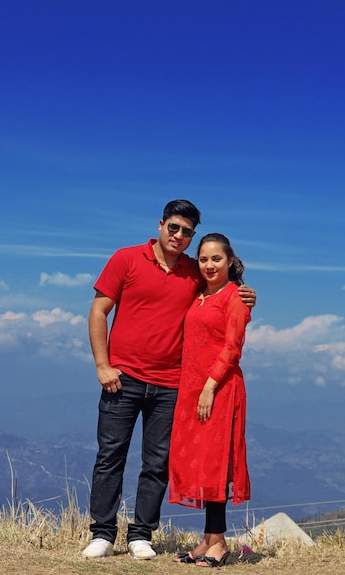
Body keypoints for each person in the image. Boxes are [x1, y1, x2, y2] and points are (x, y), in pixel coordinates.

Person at [82, 200, 256, 561]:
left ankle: (141, 534)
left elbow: (222, 289)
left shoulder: (195, 271)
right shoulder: (126, 259)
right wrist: (102, 365)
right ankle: (102, 533)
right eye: (173, 227)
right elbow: (99, 310)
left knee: (157, 461)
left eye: (187, 231)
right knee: (110, 455)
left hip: (171, 384)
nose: (179, 235)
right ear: (161, 225)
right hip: (123, 377)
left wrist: (246, 293)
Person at [169, 233, 251, 567]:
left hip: (218, 389)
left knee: (216, 464)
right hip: (193, 390)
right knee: (203, 462)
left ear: (230, 260)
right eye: (203, 259)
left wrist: (208, 388)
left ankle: (219, 542)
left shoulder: (236, 296)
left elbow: (233, 347)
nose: (208, 265)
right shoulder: (200, 294)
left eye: (216, 258)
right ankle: (207, 539)